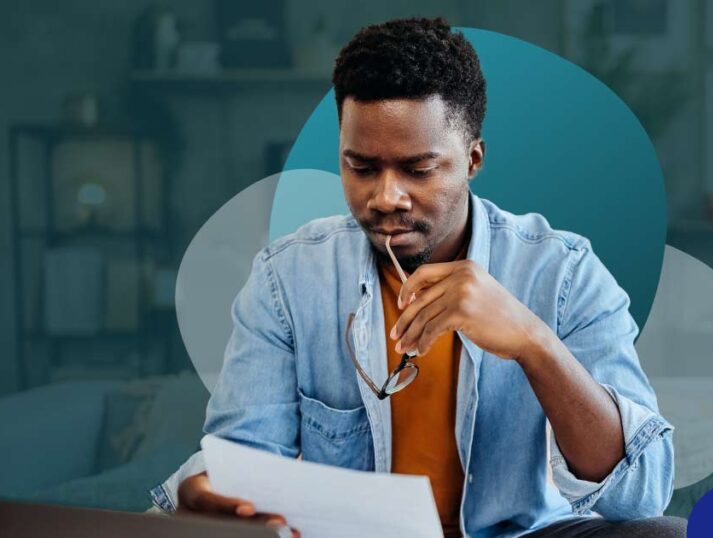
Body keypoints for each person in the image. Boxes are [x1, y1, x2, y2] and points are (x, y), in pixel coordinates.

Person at [150, 17, 684, 538]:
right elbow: (246, 460)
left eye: (418, 169)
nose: (386, 197)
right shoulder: (286, 280)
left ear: (472, 159)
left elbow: (638, 493)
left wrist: (532, 342)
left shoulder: (564, 273)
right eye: (361, 168)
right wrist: (214, 496)